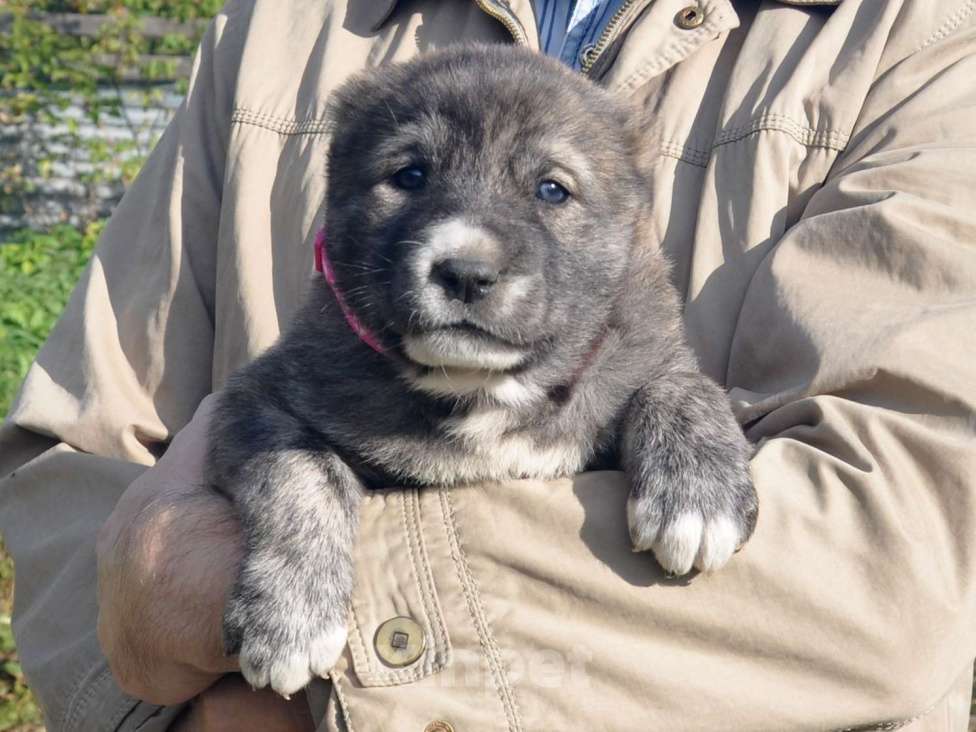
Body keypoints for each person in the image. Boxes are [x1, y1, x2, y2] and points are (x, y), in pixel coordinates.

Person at [2, 0, 975, 729]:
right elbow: (73, 466)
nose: (466, 245)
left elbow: (899, 561)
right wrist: (173, 711)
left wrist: (302, 637)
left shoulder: (915, 38)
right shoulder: (282, 29)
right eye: (410, 177)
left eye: (553, 187)